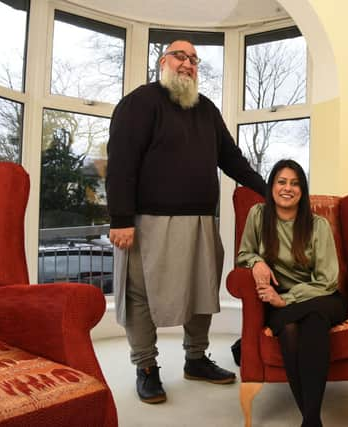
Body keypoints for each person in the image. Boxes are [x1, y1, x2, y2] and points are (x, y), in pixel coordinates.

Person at [106, 40, 266, 404]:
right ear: (163, 61)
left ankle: (195, 359)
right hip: (148, 223)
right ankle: (146, 367)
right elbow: (121, 162)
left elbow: (233, 159)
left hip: (200, 223)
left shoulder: (206, 109)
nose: (188, 64)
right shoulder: (140, 103)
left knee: (202, 292)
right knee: (139, 297)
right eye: (180, 56)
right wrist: (121, 218)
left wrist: (269, 190)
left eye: (194, 59)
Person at [237, 159, 348, 427]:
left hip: (323, 297)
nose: (288, 188)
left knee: (312, 315)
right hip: (283, 304)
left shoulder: (317, 224)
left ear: (303, 190)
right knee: (294, 326)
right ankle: (312, 420)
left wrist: (285, 299)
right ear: (272, 186)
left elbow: (328, 281)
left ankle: (310, 420)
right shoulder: (258, 215)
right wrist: (257, 262)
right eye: (282, 182)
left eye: (295, 183)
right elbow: (244, 254)